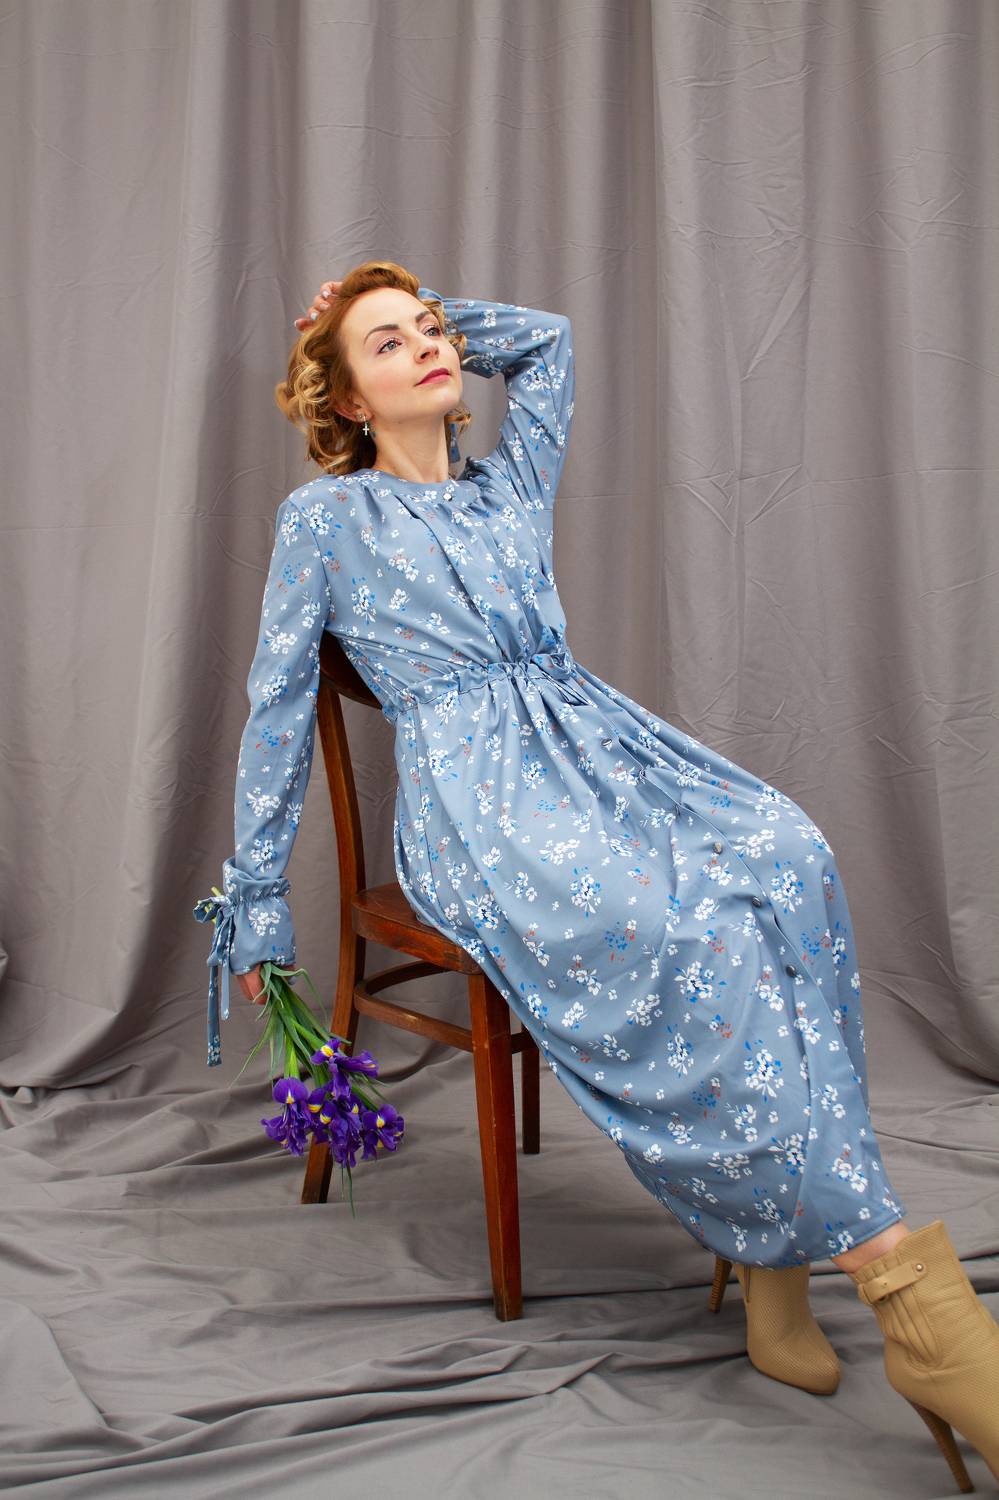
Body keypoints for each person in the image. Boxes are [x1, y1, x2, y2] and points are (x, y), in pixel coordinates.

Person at [200, 260, 999, 1490]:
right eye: (389, 344)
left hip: (603, 752)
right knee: (693, 932)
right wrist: (257, 902)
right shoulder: (327, 521)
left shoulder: (508, 481)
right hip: (484, 806)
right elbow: (273, 707)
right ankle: (904, 1302)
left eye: (432, 331)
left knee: (787, 860)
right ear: (348, 400)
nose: (428, 347)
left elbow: (552, 344)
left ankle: (773, 1258)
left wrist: (409, 299)